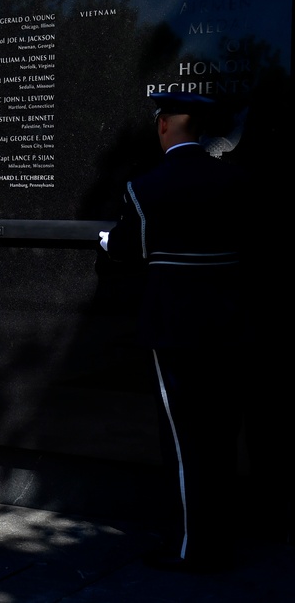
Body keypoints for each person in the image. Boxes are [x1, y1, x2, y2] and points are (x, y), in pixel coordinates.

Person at [102, 92, 250, 571]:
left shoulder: (146, 186)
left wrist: (109, 241)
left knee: (185, 441)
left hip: (174, 326)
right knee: (222, 434)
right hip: (228, 321)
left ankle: (190, 546)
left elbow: (131, 247)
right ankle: (224, 539)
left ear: (164, 125)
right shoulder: (234, 178)